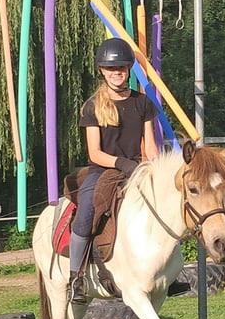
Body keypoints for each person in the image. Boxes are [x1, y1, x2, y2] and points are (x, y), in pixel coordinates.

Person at [68, 37, 160, 303]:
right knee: (86, 212)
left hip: (137, 167)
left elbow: (150, 146)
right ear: (102, 70)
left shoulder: (143, 103)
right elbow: (94, 153)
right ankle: (76, 279)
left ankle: (170, 271)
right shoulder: (93, 106)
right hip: (103, 170)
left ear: (128, 69)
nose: (116, 72)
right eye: (111, 68)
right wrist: (122, 163)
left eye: (121, 67)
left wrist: (155, 170)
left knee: (164, 204)